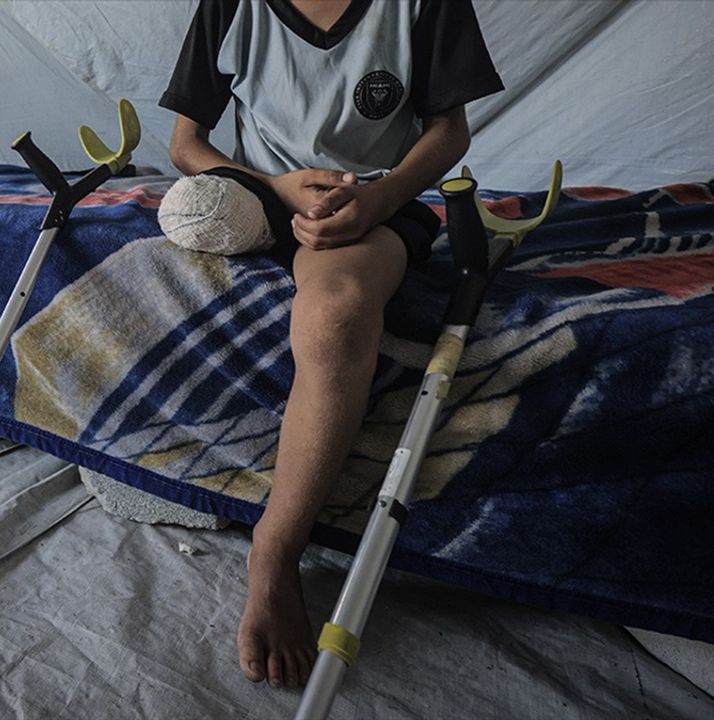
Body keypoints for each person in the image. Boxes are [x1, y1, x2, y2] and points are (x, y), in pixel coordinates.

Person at [159, 0, 504, 690]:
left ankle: (275, 549)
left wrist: (379, 200)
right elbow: (186, 144)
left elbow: (448, 130)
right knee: (188, 211)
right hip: (258, 193)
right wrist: (273, 186)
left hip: (365, 205)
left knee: (338, 312)